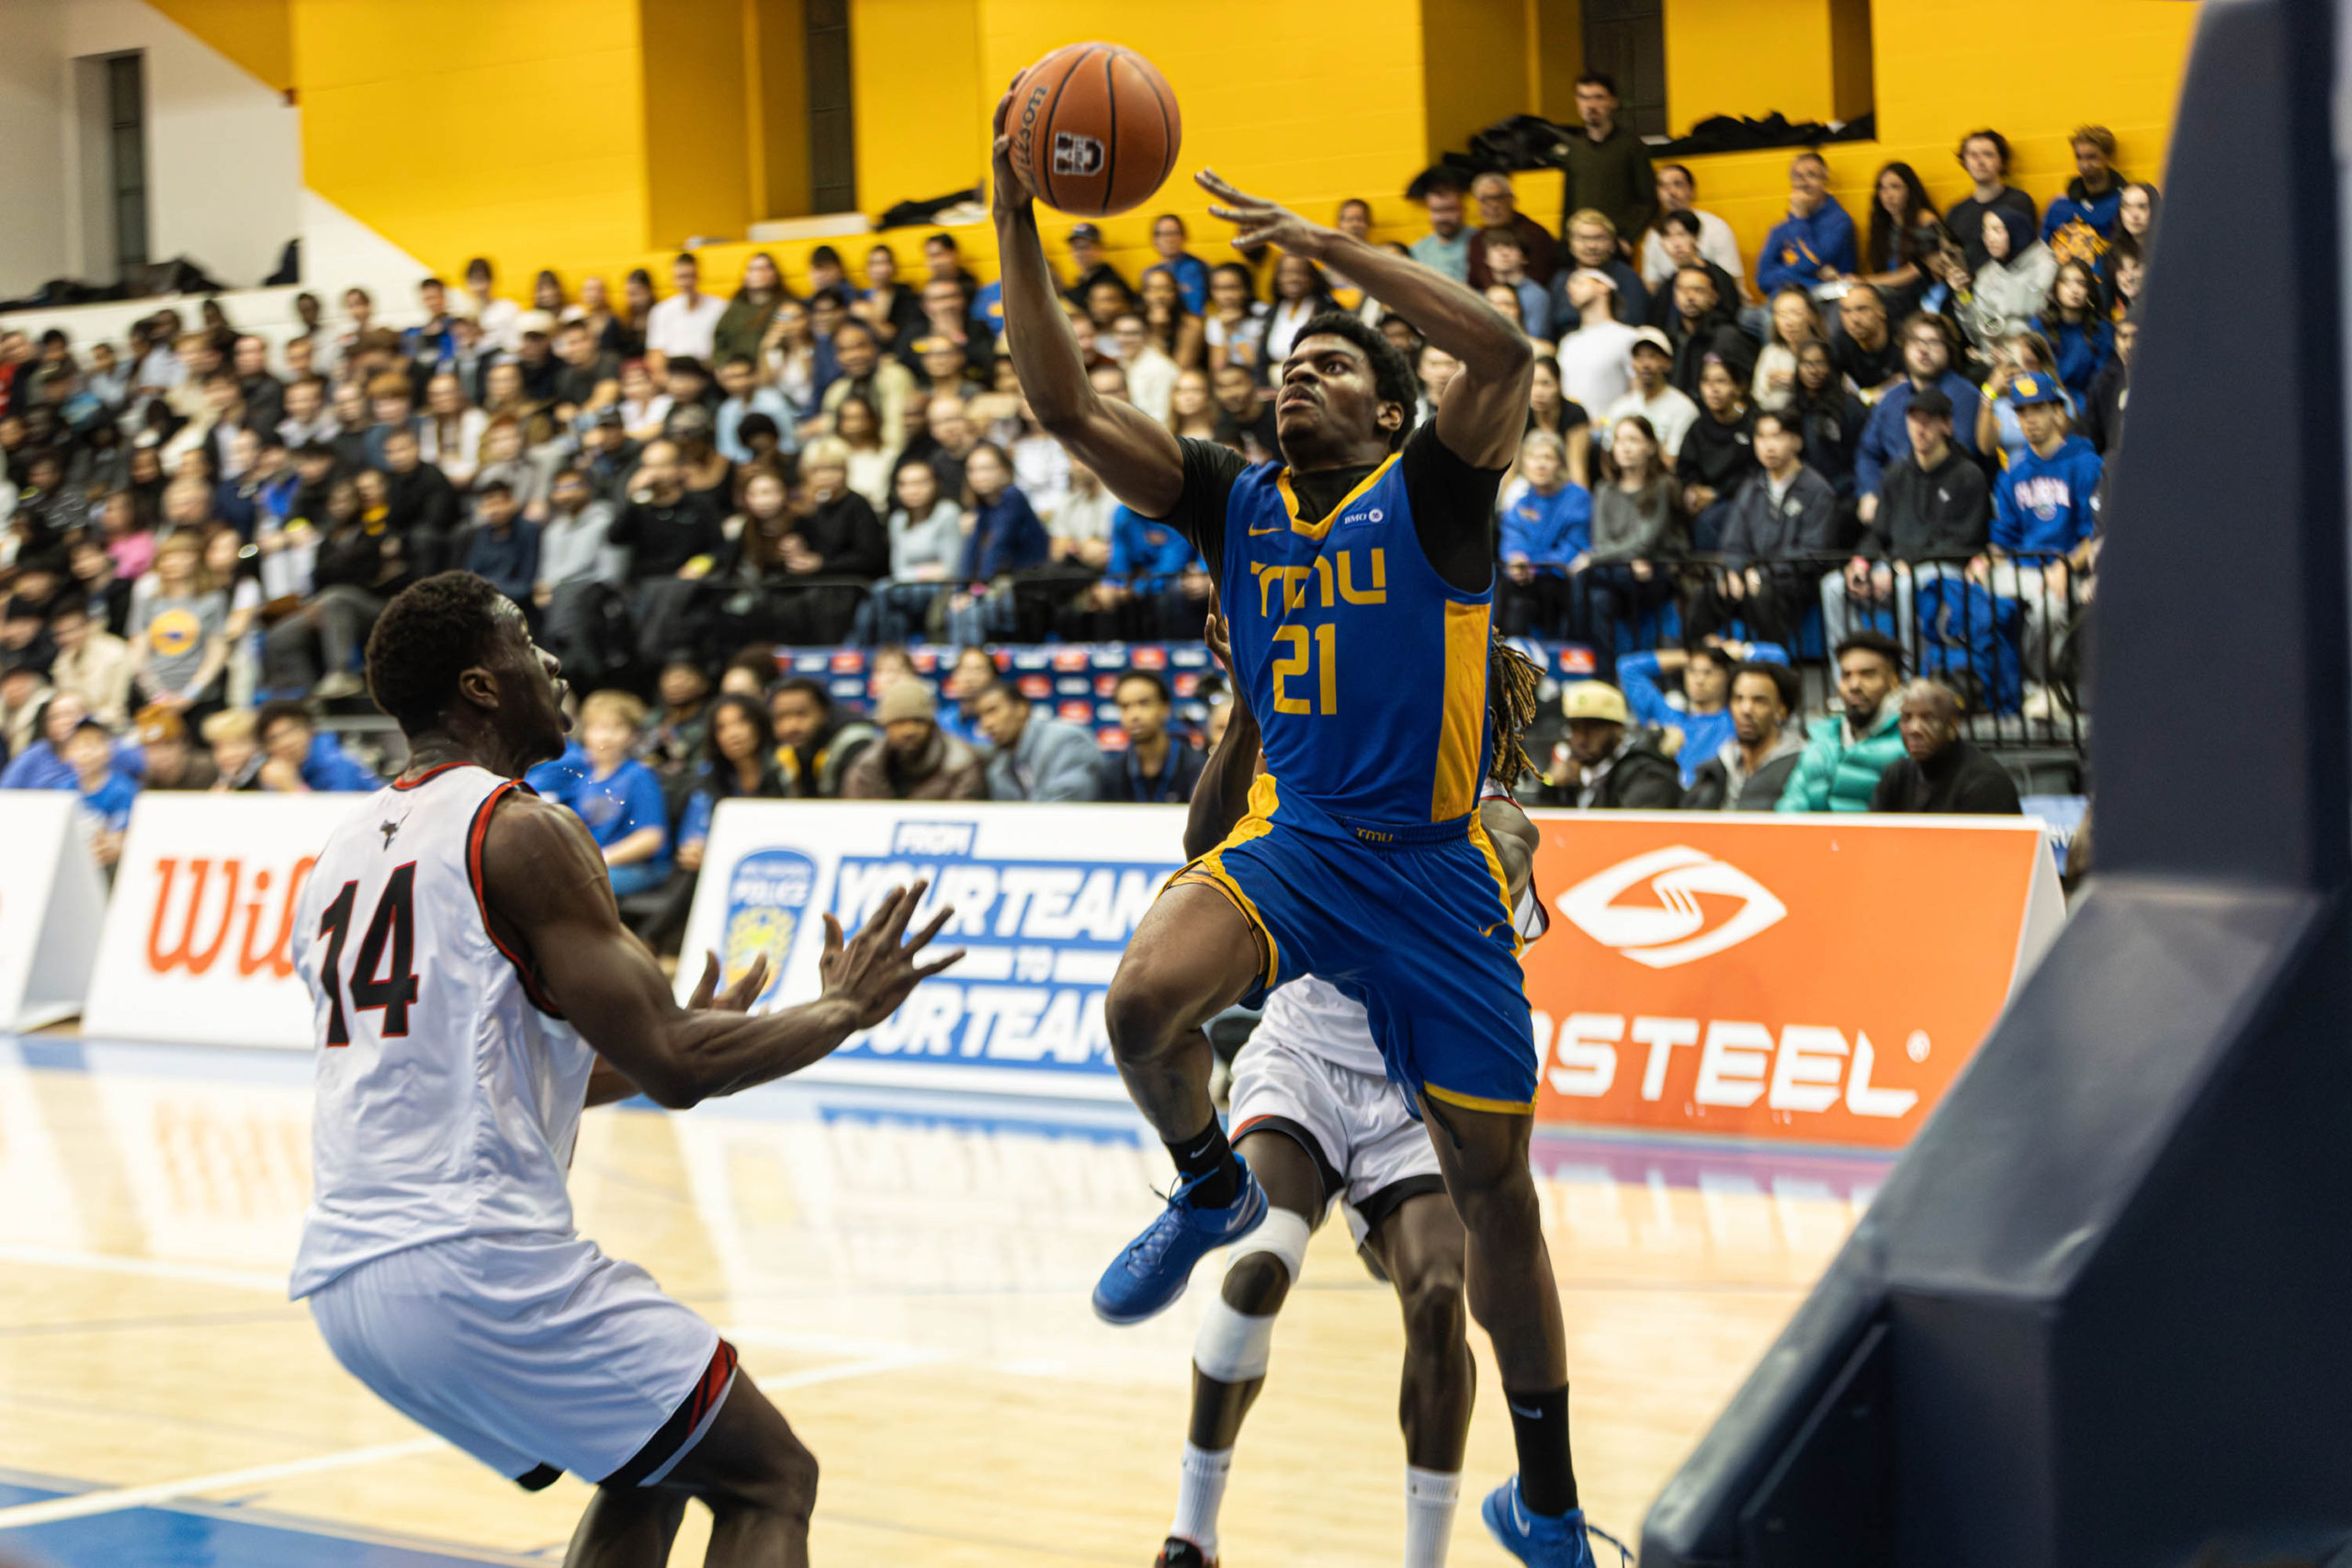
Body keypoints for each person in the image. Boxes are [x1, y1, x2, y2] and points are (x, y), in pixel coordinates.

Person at [992, 85, 1606, 1557]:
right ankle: (1206, 1186)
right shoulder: (1233, 503)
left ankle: (1550, 1494)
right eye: (1283, 367)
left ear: (1392, 410)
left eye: (1328, 367)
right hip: (1310, 839)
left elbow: (1504, 347)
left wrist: (1331, 256)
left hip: (1438, 872)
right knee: (1141, 999)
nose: (1294, 379)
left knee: (1492, 1197)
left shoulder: (1439, 495)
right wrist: (1013, 208)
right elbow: (1064, 404)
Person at [291, 571, 955, 1565]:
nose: (551, 661)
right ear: (479, 687)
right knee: (769, 1477)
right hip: (473, 1258)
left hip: (348, 1282)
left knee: (652, 1466)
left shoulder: (340, 851)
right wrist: (840, 1011)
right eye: (524, 642)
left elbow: (501, 1068)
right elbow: (681, 1066)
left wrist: (663, 1042)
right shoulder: (519, 829)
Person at [1154, 611, 1550, 1568]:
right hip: (1304, 1068)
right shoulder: (1317, 781)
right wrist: (1250, 703)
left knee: (1437, 1296)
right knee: (1260, 1260)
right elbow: (1202, 843)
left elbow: (1498, 854)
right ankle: (1190, 1532)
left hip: (1418, 1094)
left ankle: (1423, 1557)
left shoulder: (1497, 825)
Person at [1825, 386, 1989, 649]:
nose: (1920, 429)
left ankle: (1909, 673)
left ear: (1946, 426)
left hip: (1942, 570)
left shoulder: (1968, 475)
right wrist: (1861, 562)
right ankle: (1855, 669)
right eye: (1914, 421)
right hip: (1895, 568)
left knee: (1907, 585)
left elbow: (1963, 542)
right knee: (1833, 586)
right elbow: (1878, 531)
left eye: (1928, 422)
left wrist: (1904, 565)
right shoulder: (1897, 472)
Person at [1984, 372, 2102, 684]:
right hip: (2022, 568)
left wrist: (2065, 566)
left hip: (2071, 570)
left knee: (2050, 608)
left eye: (2037, 409)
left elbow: (2094, 534)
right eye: (2022, 412)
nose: (2029, 419)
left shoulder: (2085, 463)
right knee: (1972, 598)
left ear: (2058, 411)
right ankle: (1999, 691)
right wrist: (1986, 561)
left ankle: (2046, 689)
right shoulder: (2014, 471)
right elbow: (2004, 536)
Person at [1690, 410, 1837, 646]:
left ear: (1797, 441)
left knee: (1764, 594)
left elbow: (1813, 551)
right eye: (1761, 437)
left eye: (1777, 437)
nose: (1768, 446)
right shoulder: (1751, 488)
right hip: (1752, 578)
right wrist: (1733, 572)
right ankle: (1702, 665)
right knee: (1708, 593)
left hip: (1796, 583)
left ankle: (1775, 666)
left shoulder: (1818, 491)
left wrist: (1763, 573)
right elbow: (1733, 543)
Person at [545, 689, 672, 897]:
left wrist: (601, 859)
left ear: (632, 735)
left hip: (638, 868)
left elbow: (651, 837)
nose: (607, 736)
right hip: (593, 865)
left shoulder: (639, 775)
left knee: (574, 889)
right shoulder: (582, 779)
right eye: (598, 727)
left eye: (617, 727)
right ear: (586, 732)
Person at [1617, 639, 1789, 789]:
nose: (1699, 680)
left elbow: (1778, 659)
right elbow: (1627, 668)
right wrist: (1689, 656)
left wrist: (1734, 651)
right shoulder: (1668, 718)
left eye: (1708, 672)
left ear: (1726, 675)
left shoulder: (1738, 719)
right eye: (1692, 671)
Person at [1853, 314, 1983, 513]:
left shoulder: (1965, 396)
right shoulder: (1892, 399)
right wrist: (1871, 492)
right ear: (1904, 347)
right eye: (1916, 342)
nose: (1923, 350)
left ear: (1948, 349)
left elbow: (1961, 456)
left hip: (1943, 502)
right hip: (1893, 502)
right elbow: (1868, 452)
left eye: (1933, 343)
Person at [1777, 632, 1906, 811]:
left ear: (1893, 681)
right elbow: (1791, 806)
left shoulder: (1908, 742)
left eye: (1867, 675)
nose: (1854, 685)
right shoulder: (1821, 738)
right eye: (1846, 675)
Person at [1870, 680, 2021, 813]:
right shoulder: (1897, 775)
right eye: (1907, 718)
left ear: (1952, 726)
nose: (1914, 729)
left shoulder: (1986, 782)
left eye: (1928, 718)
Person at [1497, 431, 1591, 638]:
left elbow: (1575, 546)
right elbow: (1513, 536)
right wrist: (1516, 558)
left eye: (1547, 458)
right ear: (1524, 464)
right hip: (1526, 578)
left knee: (1522, 598)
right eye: (1533, 457)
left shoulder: (1578, 498)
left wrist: (1533, 566)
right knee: (1501, 585)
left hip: (1560, 578)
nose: (1540, 465)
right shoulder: (1522, 501)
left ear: (1559, 464)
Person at [1681, 661, 1806, 810]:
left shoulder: (1802, 768)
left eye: (1759, 701)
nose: (1746, 710)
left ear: (1781, 710)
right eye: (1738, 699)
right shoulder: (1716, 769)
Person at [1534, 681, 1679, 808]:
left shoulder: (1646, 775)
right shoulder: (1573, 778)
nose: (1582, 739)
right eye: (1575, 728)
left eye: (1592, 728)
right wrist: (1550, 784)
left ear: (1617, 730)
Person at [1555, 71, 1655, 254]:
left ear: (1612, 102)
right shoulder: (1574, 149)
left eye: (1598, 97)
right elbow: (1569, 202)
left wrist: (1628, 238)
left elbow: (1648, 201)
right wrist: (1566, 239)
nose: (1591, 105)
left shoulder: (1632, 146)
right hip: (1579, 244)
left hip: (1615, 244)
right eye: (1584, 97)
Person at [840, 679, 987, 800]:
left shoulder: (961, 763)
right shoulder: (866, 767)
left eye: (918, 721)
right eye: (899, 722)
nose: (909, 731)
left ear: (931, 725)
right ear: (885, 726)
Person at [975, 680, 1100, 801]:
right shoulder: (999, 765)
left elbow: (1066, 811)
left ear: (1021, 709)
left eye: (992, 711)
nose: (986, 724)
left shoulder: (1066, 741)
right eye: (980, 716)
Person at [1756, 152, 1856, 299]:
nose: (1803, 183)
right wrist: (1807, 277)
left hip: (1829, 302)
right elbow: (1763, 280)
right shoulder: (1781, 229)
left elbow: (1810, 263)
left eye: (1811, 175)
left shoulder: (1840, 223)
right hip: (1787, 301)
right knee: (1748, 317)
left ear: (1824, 180)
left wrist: (1800, 216)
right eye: (1797, 176)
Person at [1958, 209, 2055, 355]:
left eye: (1997, 230)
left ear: (2016, 232)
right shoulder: (1986, 274)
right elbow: (1980, 329)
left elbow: (2036, 317)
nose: (1988, 238)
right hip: (1996, 356)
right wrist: (1963, 295)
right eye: (1985, 230)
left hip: (2038, 354)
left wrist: (2000, 338)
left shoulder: (2045, 265)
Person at [1099, 671, 1204, 803]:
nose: (1134, 715)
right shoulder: (1111, 774)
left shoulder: (1198, 769)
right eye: (1125, 706)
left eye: (1144, 703)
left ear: (1165, 709)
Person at [1944, 130, 2039, 273]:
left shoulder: (2020, 202)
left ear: (2001, 161)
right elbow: (1952, 259)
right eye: (1973, 155)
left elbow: (2029, 253)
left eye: (1987, 154)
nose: (1980, 161)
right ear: (1965, 161)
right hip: (1972, 290)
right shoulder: (1956, 212)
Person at [1598, 330, 1698, 462]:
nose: (1645, 364)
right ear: (1632, 364)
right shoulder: (1619, 407)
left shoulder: (1684, 408)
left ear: (1668, 363)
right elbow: (1607, 457)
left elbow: (1674, 462)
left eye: (1652, 356)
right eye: (1639, 357)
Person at [767, 676, 875, 799]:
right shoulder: (780, 749)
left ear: (824, 712)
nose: (791, 726)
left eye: (801, 714)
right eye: (781, 717)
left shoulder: (854, 744)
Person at [1640, 164, 1742, 290]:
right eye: (1663, 186)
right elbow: (1651, 286)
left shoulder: (1716, 227)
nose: (1671, 192)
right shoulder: (1654, 235)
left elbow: (1733, 281)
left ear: (1691, 191)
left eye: (1678, 184)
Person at [1551, 272, 1636, 416]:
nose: (1571, 288)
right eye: (1569, 286)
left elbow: (1636, 390)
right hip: (1575, 430)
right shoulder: (1568, 342)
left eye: (1579, 282)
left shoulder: (1628, 336)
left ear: (1603, 287)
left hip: (1612, 429)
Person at [254, 698, 381, 792]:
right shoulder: (276, 769)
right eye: (273, 738)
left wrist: (291, 787)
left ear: (308, 730)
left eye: (290, 731)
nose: (285, 742)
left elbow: (335, 819)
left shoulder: (338, 764)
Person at [2041, 125, 2125, 265]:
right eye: (2079, 157)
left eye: (2092, 157)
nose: (2085, 165)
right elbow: (2043, 255)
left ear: (2108, 157)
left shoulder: (2124, 204)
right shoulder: (2059, 206)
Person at [47, 599, 132, 730]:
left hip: (116, 729)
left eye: (71, 630)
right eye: (60, 634)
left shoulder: (115, 653)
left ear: (88, 626)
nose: (66, 638)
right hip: (73, 730)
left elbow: (117, 709)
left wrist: (83, 722)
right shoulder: (62, 661)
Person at [1552, 210, 1645, 329]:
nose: (1591, 246)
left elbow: (1634, 324)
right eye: (1583, 238)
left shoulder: (1627, 277)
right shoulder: (1561, 280)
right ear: (1570, 243)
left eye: (1599, 238)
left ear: (1612, 243)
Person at [1465, 174, 1558, 291]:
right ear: (1478, 204)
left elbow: (1540, 279)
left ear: (1512, 200)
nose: (1494, 205)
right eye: (1485, 200)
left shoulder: (1534, 234)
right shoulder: (1476, 241)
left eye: (1499, 198)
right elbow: (1474, 282)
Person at [62, 717, 134, 866]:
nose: (85, 753)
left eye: (92, 745)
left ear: (108, 750)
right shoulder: (64, 790)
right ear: (68, 752)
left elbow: (120, 838)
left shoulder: (123, 789)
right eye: (78, 746)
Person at [644, 253, 726, 367]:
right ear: (673, 279)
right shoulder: (661, 311)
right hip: (674, 370)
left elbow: (726, 347)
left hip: (709, 367)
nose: (686, 283)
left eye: (690, 276)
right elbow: (656, 352)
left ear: (698, 276)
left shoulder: (720, 307)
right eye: (681, 277)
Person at [1409, 177, 1471, 284]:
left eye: (1450, 209)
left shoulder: (1481, 243)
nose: (1443, 217)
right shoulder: (1418, 252)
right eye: (1437, 210)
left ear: (1462, 209)